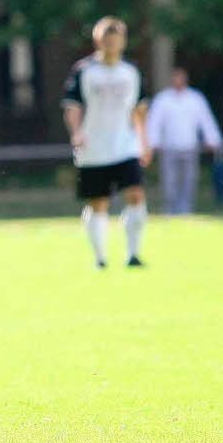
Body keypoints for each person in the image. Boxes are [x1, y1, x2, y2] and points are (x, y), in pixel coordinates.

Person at [62, 17, 151, 269]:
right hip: (94, 149)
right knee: (98, 202)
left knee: (136, 194)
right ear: (98, 41)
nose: (112, 43)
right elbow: (72, 107)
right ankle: (100, 258)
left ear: (123, 41)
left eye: (117, 39)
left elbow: (139, 109)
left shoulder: (130, 71)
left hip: (125, 145)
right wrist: (76, 132)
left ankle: (133, 254)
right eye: (108, 39)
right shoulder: (84, 71)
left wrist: (144, 141)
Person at [146, 68, 223, 215]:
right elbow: (154, 123)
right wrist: (152, 143)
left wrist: (212, 139)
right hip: (169, 148)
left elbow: (205, 120)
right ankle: (170, 211)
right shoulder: (163, 100)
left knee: (189, 181)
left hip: (189, 148)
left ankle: (186, 211)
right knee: (170, 182)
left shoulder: (195, 99)